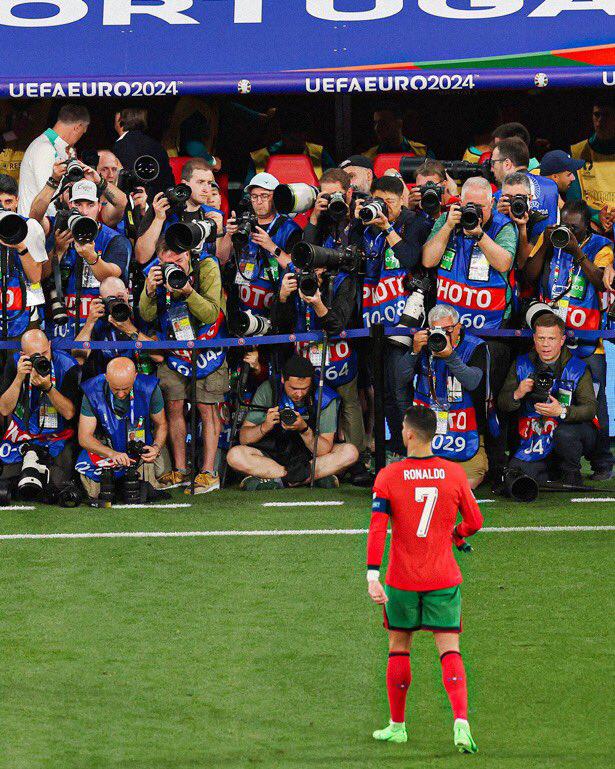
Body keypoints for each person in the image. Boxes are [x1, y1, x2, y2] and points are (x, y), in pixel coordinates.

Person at [367, 405, 482, 753]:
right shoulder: (454, 474)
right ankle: (461, 721)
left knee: (399, 648)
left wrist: (373, 575)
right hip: (443, 577)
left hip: (401, 580)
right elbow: (475, 522)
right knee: (449, 650)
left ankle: (397, 727)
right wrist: (456, 535)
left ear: (409, 433)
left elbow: (377, 529)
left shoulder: (388, 476)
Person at [523, 200, 614, 480]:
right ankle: (551, 460)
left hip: (588, 342)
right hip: (553, 341)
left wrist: (576, 251)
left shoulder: (601, 245)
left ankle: (602, 463)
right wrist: (548, 246)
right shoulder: (550, 238)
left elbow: (602, 282)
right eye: (565, 225)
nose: (568, 231)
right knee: (545, 396)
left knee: (595, 405)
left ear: (587, 226)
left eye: (574, 227)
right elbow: (528, 276)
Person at [139, 234, 228, 494]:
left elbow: (211, 313)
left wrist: (188, 292)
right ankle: (180, 469)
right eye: (167, 262)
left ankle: (209, 473)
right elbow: (146, 315)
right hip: (175, 351)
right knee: (174, 406)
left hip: (208, 348)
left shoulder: (207, 267)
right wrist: (149, 290)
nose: (173, 267)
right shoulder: (153, 273)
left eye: (178, 260)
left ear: (188, 255)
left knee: (206, 408)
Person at [273, 263, 372, 486]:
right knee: (304, 406)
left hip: (340, 358)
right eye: (308, 270)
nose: (313, 274)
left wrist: (317, 301)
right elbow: (279, 324)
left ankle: (357, 464)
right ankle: (308, 463)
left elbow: (336, 324)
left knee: (349, 404)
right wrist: (282, 297)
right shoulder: (292, 280)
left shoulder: (341, 280)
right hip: (306, 364)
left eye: (317, 270)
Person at [360, 174, 432, 457]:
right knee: (384, 392)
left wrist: (388, 227)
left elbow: (410, 258)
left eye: (389, 202)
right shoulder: (366, 224)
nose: (383, 207)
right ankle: (396, 446)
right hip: (375, 318)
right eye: (379, 202)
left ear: (402, 199)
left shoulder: (416, 222)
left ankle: (413, 447)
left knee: (400, 389)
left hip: (407, 319)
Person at [226, 354, 358, 490]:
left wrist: (304, 429)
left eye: (304, 388)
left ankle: (278, 480)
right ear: (283, 379)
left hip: (309, 457)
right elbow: (244, 438)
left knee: (350, 452)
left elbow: (323, 450)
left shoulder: (324, 396)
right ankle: (311, 477)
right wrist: (264, 427)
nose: (299, 394)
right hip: (273, 454)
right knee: (234, 456)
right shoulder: (269, 389)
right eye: (294, 388)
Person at [498, 314, 597, 486]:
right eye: (541, 338)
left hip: (568, 435)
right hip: (533, 438)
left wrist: (563, 411)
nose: (545, 344)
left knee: (566, 433)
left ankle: (571, 472)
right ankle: (547, 470)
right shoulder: (521, 364)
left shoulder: (578, 367)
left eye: (551, 338)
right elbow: (502, 404)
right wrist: (518, 393)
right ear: (534, 339)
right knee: (518, 475)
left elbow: (590, 409)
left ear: (562, 340)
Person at [399, 305, 489, 488]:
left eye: (448, 330)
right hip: (428, 430)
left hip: (464, 430)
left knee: (470, 479)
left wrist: (450, 356)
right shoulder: (424, 345)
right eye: (437, 330)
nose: (443, 336)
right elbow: (400, 378)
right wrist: (414, 352)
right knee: (412, 480)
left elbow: (473, 381)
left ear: (459, 327)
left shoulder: (475, 346)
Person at [41, 179, 132, 340]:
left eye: (90, 205)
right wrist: (59, 250)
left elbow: (112, 276)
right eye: (78, 204)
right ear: (70, 205)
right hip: (60, 324)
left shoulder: (114, 239)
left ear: (99, 206)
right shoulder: (58, 231)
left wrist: (91, 257)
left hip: (100, 325)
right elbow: (41, 276)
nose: (84, 211)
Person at [0, 329, 79, 500]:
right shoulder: (15, 363)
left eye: (45, 352)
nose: (42, 359)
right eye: (35, 356)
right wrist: (19, 378)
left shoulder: (67, 365)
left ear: (50, 345)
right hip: (22, 434)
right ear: (23, 354)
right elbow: (4, 409)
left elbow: (69, 413)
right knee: (5, 481)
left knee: (57, 487)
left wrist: (48, 388)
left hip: (55, 435)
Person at [76, 357, 168, 501]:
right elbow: (84, 437)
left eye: (125, 388)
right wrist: (111, 454)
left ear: (135, 376)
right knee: (95, 492)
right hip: (107, 448)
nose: (120, 394)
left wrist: (156, 447)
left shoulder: (149, 388)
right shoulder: (92, 390)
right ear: (106, 378)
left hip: (140, 447)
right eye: (115, 389)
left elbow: (161, 424)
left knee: (154, 478)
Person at [220, 172, 302, 324]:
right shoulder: (243, 225)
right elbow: (222, 260)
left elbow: (296, 268)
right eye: (254, 196)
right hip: (242, 309)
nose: (258, 201)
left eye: (265, 196)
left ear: (275, 197)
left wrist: (271, 247)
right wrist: (228, 235)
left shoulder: (290, 229)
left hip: (276, 309)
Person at [135, 157, 222, 267]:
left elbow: (220, 261)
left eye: (209, 183)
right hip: (161, 275)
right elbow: (141, 257)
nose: (206, 189)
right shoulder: (162, 208)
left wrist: (220, 233)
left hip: (198, 277)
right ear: (185, 184)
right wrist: (159, 219)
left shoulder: (212, 215)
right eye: (200, 182)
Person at [73, 275, 161, 379]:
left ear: (127, 293)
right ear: (102, 300)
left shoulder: (142, 316)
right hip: (108, 383)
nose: (117, 302)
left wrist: (131, 330)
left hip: (141, 382)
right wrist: (90, 322)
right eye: (111, 299)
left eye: (120, 297)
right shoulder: (97, 321)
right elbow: (78, 359)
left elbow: (158, 357)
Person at [18, 103, 90, 217]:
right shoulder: (44, 148)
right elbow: (48, 197)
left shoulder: (55, 148)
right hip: (34, 228)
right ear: (78, 127)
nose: (81, 137)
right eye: (83, 132)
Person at [0, 174, 49, 337]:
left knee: (23, 360)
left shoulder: (30, 226)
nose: (4, 208)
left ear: (16, 201)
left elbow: (36, 276)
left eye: (8, 202)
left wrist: (20, 245)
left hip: (26, 311)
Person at [490, 137, 559, 240]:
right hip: (549, 251)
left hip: (519, 253)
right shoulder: (551, 186)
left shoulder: (500, 197)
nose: (491, 169)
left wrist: (497, 215)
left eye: (493, 163)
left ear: (507, 164)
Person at [247, 106, 335, 181]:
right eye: (291, 136)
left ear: (305, 134)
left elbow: (334, 183)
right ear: (281, 134)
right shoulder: (260, 157)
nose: (296, 139)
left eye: (300, 134)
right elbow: (248, 193)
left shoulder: (318, 153)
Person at [569, 96, 615, 231]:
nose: (600, 121)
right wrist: (595, 215)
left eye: (606, 115)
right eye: (597, 115)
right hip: (591, 224)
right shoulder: (577, 152)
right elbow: (573, 200)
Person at [112, 107, 175, 197]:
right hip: (161, 199)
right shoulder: (157, 145)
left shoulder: (121, 145)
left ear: (120, 120)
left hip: (136, 200)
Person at [363, 104, 432, 160]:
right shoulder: (368, 157)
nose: (377, 128)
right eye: (376, 123)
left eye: (383, 123)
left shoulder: (423, 153)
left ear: (399, 123)